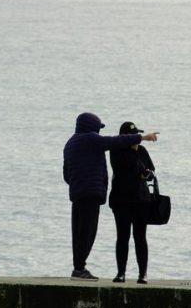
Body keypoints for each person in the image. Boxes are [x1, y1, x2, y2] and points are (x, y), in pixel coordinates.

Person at [63, 112, 158, 280]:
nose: (98, 131)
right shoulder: (91, 139)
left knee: (78, 232)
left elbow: (66, 174)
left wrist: (78, 183)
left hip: (78, 193)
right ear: (91, 126)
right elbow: (115, 142)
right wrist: (143, 137)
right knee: (88, 232)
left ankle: (79, 268)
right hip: (94, 194)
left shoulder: (70, 143)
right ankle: (80, 269)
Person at [108, 121, 155, 284]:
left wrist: (146, 173)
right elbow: (127, 168)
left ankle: (143, 274)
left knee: (140, 237)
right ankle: (121, 273)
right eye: (133, 136)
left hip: (141, 200)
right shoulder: (116, 151)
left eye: (137, 136)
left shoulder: (141, 151)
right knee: (122, 236)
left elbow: (150, 171)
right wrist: (140, 170)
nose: (137, 140)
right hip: (121, 200)